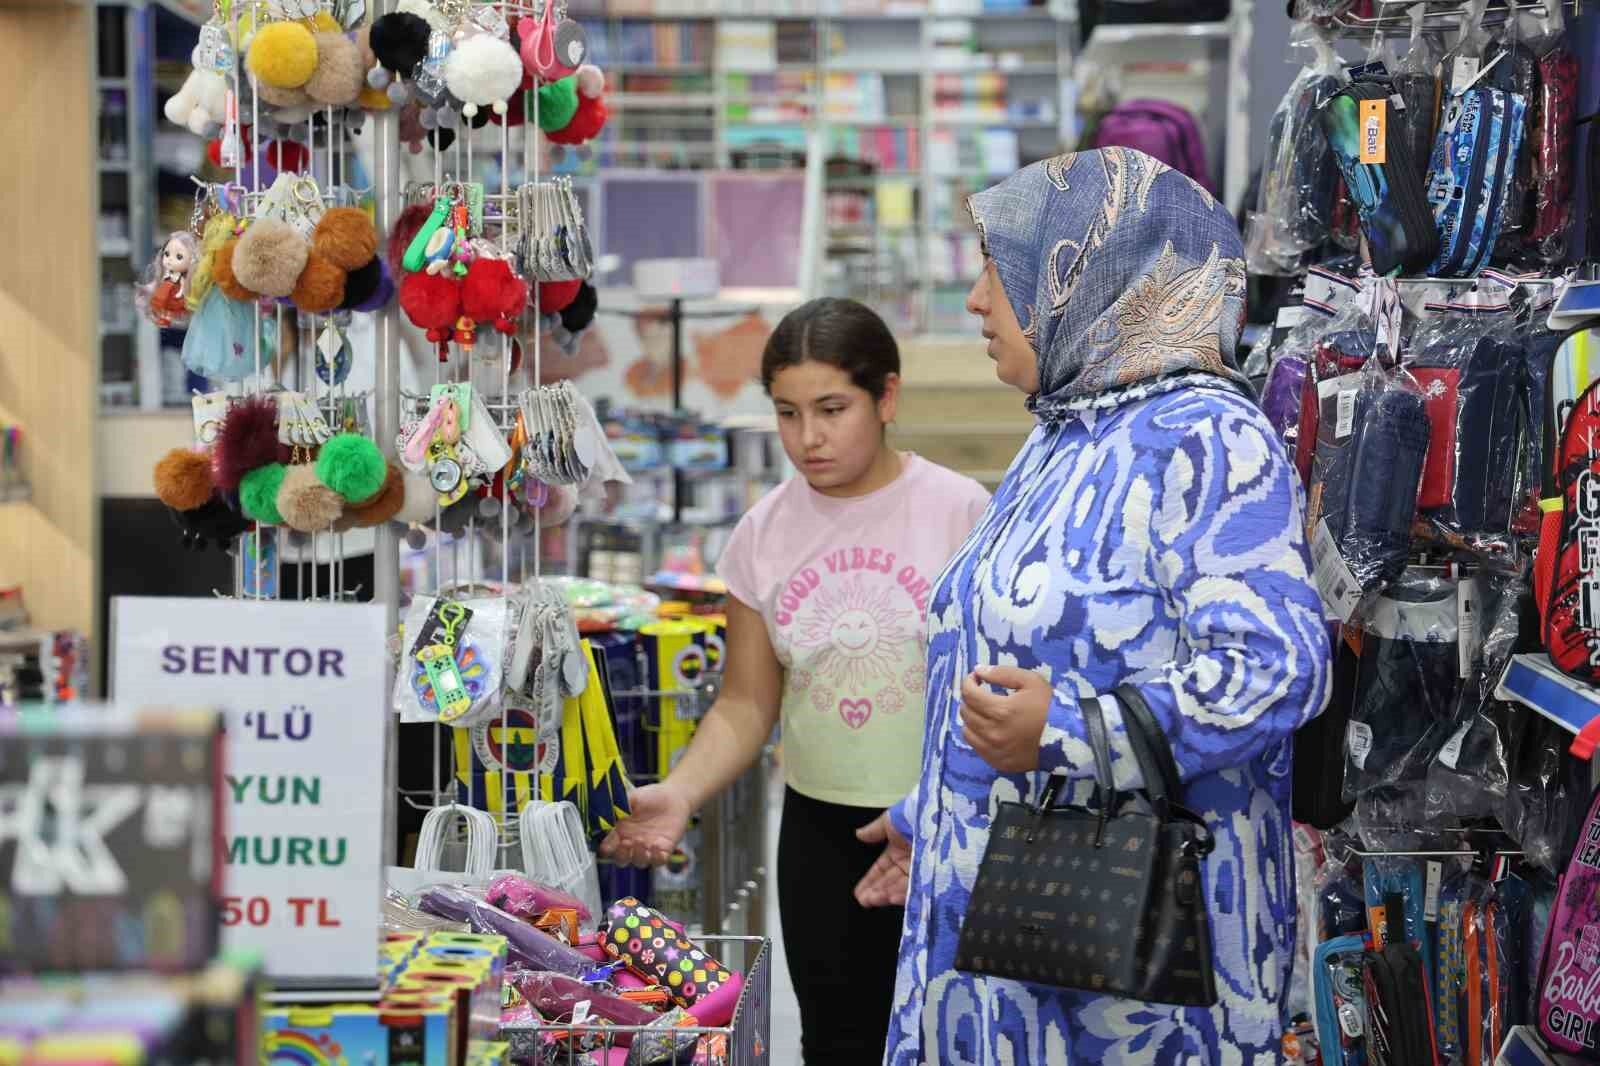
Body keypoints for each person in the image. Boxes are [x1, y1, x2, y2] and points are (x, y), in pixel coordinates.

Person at [854, 148, 1332, 1063]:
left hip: (1132, 976)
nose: (979, 302)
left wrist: (1072, 732)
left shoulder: (1206, 437)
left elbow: (1278, 666)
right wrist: (933, 812)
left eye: (1002, 269)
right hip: (1011, 935)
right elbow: (1037, 651)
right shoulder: (1065, 434)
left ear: (1091, 273)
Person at [600, 296, 990, 1061]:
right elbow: (746, 703)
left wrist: (944, 809)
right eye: (787, 413)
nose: (807, 437)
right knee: (839, 1043)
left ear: (887, 397)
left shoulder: (961, 512)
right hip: (820, 838)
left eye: (832, 408)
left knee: (954, 1039)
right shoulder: (764, 533)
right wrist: (679, 793)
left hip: (943, 826)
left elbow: (989, 690)